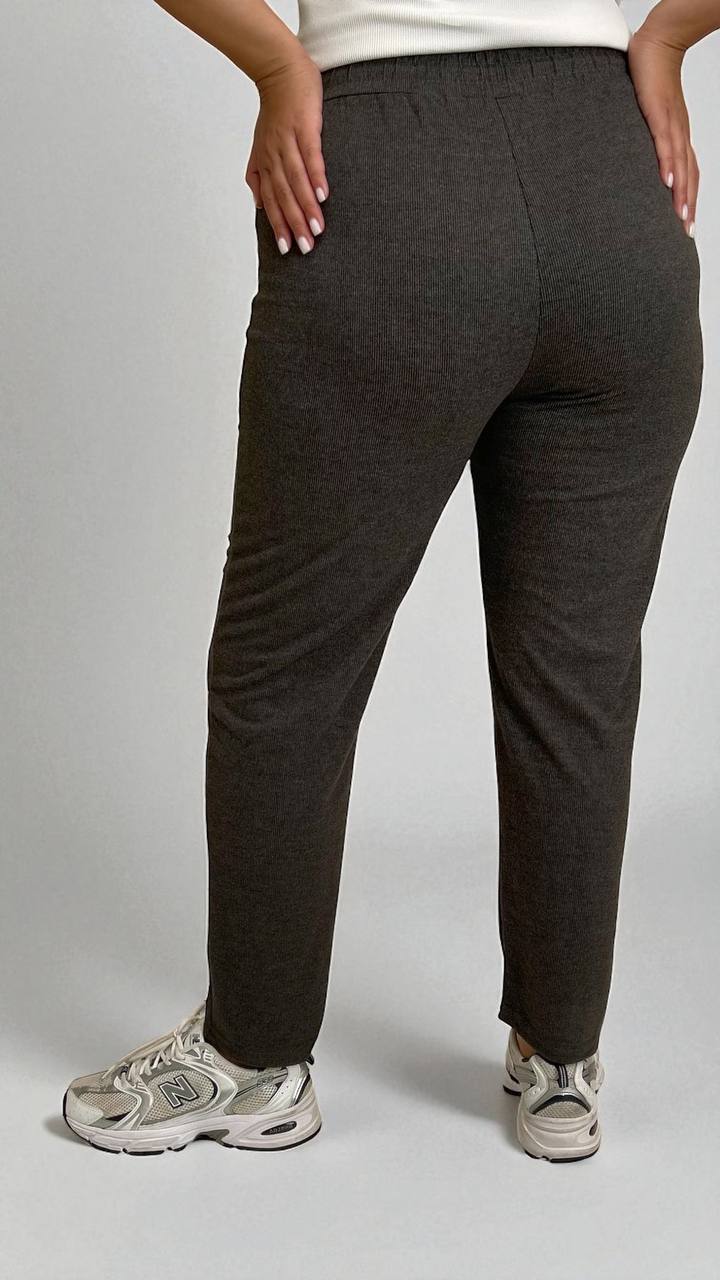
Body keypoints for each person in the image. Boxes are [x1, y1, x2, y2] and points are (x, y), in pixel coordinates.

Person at [62, 0, 713, 1162]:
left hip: (390, 176)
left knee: (288, 665)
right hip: (613, 183)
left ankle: (255, 1059)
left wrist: (275, 63)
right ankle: (560, 1055)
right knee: (577, 671)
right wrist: (661, 40)